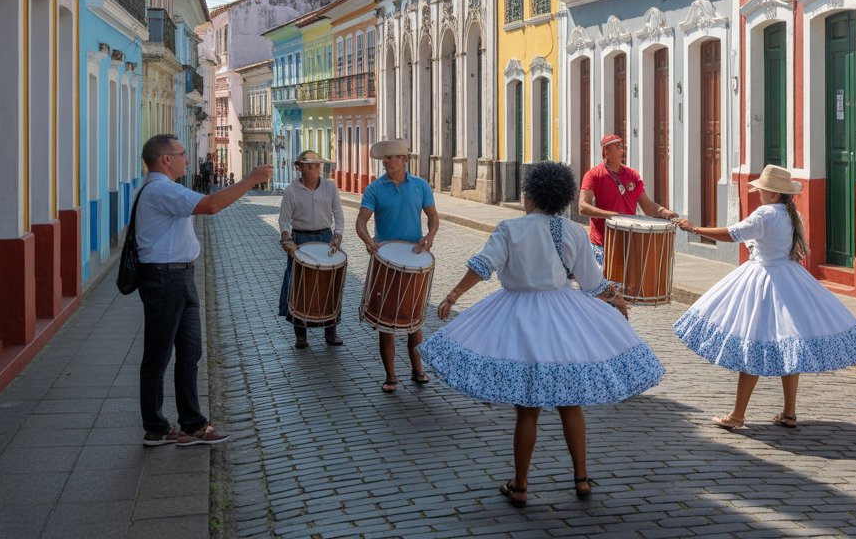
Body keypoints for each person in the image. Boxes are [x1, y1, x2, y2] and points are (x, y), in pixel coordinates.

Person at [419, 161, 664, 508]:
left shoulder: (510, 229)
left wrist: (452, 295)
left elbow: (481, 266)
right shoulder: (575, 232)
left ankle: (520, 484)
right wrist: (615, 297)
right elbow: (592, 284)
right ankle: (581, 478)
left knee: (527, 410)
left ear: (530, 195)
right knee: (570, 404)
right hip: (565, 317)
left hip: (520, 317)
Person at [673, 164, 856, 430]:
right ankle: (789, 412)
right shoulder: (794, 216)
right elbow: (789, 248)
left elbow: (731, 234)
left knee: (752, 342)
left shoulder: (765, 214)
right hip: (789, 278)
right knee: (789, 343)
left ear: (772, 194)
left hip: (764, 280)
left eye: (762, 190)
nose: (759, 194)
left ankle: (737, 415)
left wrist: (695, 229)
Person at [134, 133, 273, 446]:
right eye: (181, 153)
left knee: (189, 352)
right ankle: (155, 426)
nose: (187, 158)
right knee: (158, 355)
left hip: (178, 278)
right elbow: (210, 205)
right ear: (165, 160)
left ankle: (192, 424)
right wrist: (251, 179)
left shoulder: (165, 189)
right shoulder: (162, 189)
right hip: (164, 279)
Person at [355, 138, 439, 393]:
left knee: (415, 320)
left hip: (413, 256)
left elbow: (433, 218)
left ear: (404, 160)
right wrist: (369, 241)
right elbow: (361, 222)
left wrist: (429, 237)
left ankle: (418, 370)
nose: (387, 161)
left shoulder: (421, 186)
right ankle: (391, 376)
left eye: (392, 157)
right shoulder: (374, 189)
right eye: (385, 158)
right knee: (386, 321)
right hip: (385, 258)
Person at [279, 150, 345, 349]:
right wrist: (287, 239)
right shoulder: (291, 191)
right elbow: (284, 220)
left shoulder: (330, 188)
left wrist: (338, 234)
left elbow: (338, 214)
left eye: (317, 165)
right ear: (300, 168)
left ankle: (331, 331)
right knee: (298, 286)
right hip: (301, 239)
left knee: (329, 284)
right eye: (310, 165)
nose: (315, 169)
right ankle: (300, 335)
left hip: (325, 237)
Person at [578, 134, 679, 265]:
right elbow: (582, 207)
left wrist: (664, 211)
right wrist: (612, 216)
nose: (622, 149)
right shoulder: (593, 175)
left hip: (629, 242)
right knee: (605, 285)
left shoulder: (632, 175)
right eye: (617, 146)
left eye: (621, 146)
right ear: (606, 151)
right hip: (603, 243)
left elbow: (647, 207)